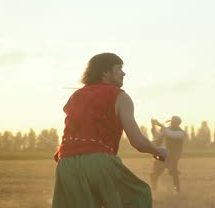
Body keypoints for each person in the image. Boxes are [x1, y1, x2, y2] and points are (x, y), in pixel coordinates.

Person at [52, 53, 167, 208]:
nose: (123, 73)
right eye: (119, 68)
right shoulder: (119, 96)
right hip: (98, 161)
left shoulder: (75, 96)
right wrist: (158, 151)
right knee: (139, 195)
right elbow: (137, 141)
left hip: (65, 164)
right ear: (105, 73)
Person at [149, 116, 186, 193]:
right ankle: (153, 190)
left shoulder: (181, 133)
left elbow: (170, 134)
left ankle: (177, 191)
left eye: (173, 122)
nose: (171, 123)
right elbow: (156, 135)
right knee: (155, 173)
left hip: (172, 156)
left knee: (173, 173)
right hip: (161, 153)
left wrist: (160, 125)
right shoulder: (166, 129)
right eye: (171, 121)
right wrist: (153, 126)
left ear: (178, 123)